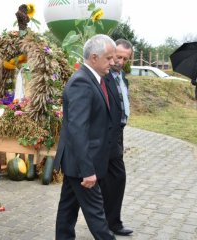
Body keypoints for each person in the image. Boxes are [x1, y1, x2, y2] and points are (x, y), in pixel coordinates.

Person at [54, 34, 116, 240]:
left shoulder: (93, 79)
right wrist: (87, 170)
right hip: (82, 164)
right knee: (97, 217)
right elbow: (77, 130)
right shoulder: (82, 82)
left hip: (76, 161)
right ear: (94, 57)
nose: (113, 62)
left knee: (67, 211)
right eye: (109, 58)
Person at [99, 39, 133, 236]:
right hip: (107, 134)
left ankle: (110, 222)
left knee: (113, 179)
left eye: (124, 58)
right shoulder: (105, 77)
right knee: (115, 177)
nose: (120, 61)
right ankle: (110, 223)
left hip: (119, 133)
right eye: (117, 56)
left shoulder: (123, 78)